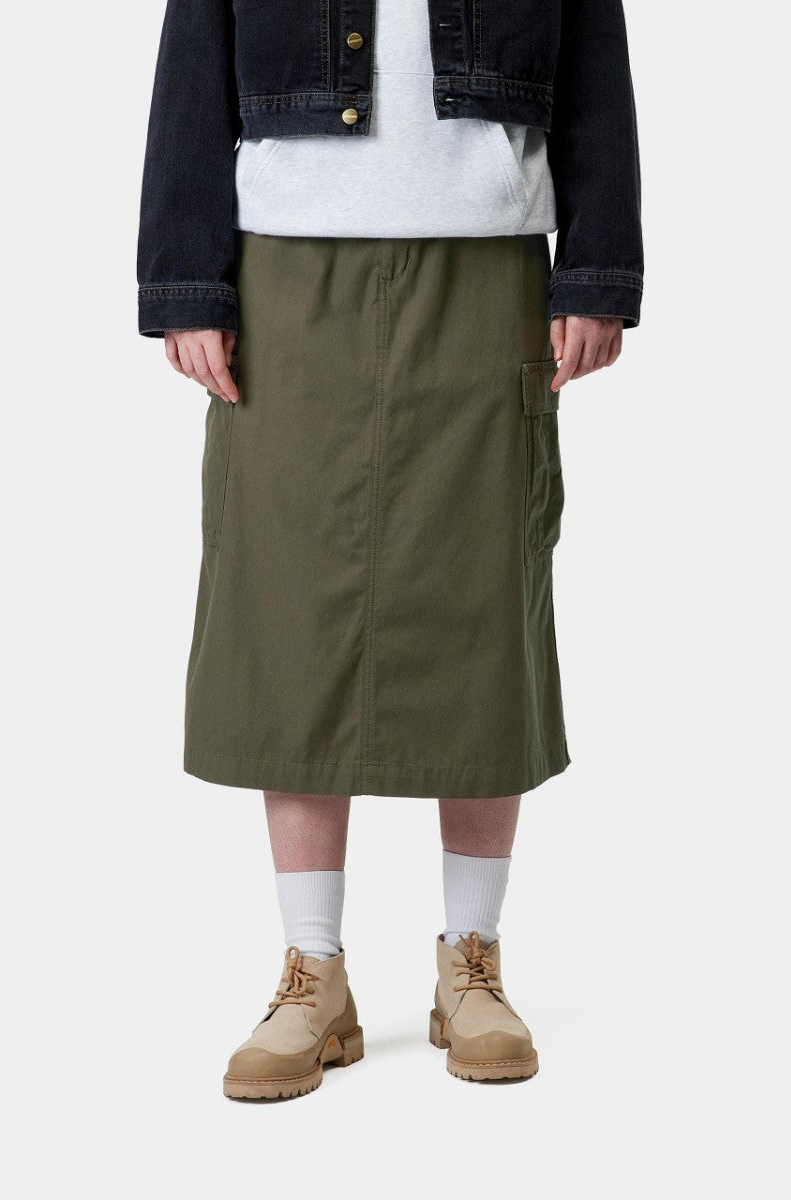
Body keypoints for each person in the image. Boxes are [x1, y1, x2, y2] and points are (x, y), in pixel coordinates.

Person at [137, 0, 642, 1100]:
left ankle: (473, 962)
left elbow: (595, 68)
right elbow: (192, 69)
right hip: (285, 272)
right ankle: (311, 971)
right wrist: (184, 282)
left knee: (483, 608)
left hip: (489, 266)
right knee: (290, 610)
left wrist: (598, 267)